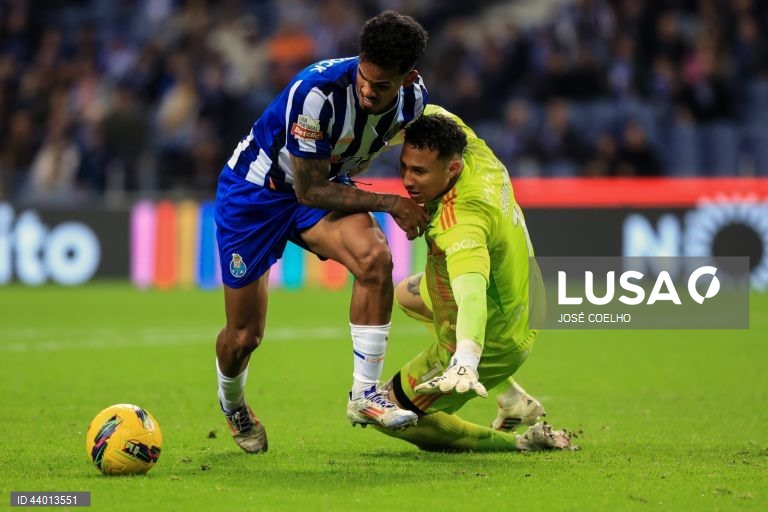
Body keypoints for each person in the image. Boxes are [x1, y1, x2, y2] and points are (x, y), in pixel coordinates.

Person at [214, 11, 430, 454]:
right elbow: (309, 190)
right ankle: (232, 402)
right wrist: (391, 203)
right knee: (244, 337)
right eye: (365, 79)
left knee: (375, 259)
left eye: (382, 86)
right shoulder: (316, 93)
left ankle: (364, 396)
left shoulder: (415, 102)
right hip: (257, 193)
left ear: (408, 78)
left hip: (323, 186)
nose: (369, 91)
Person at [376, 106, 577, 451]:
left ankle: (518, 443)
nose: (408, 180)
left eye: (420, 172)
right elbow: (422, 110)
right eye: (404, 167)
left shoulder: (463, 220)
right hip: (526, 297)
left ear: (452, 168)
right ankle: (512, 398)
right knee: (407, 294)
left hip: (497, 337)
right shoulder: (473, 150)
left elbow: (471, 294)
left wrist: (466, 358)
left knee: (386, 413)